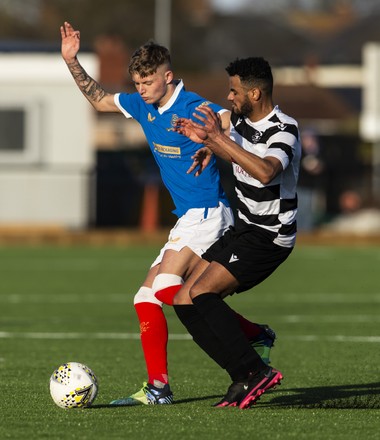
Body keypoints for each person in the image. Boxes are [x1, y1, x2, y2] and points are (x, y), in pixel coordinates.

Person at [60, 22, 276, 406]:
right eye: (137, 83)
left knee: (166, 291)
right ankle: (163, 383)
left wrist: (213, 144)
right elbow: (98, 100)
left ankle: (247, 341)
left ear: (167, 76)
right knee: (145, 299)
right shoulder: (141, 105)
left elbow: (235, 122)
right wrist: (71, 60)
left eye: (147, 82)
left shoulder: (194, 106)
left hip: (210, 212)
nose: (140, 89)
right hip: (187, 218)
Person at [173, 57, 301, 409]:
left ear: (255, 92)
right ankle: (243, 374)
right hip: (245, 228)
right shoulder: (241, 123)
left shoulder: (284, 130)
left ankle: (255, 370)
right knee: (182, 300)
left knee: (202, 292)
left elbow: (264, 172)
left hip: (270, 237)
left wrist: (216, 138)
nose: (229, 97)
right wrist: (207, 146)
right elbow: (232, 148)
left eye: (234, 90)